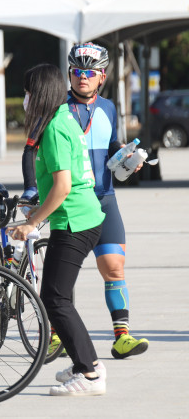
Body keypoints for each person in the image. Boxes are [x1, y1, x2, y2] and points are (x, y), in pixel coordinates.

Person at [21, 42, 149, 359]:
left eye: (90, 73)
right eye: (77, 71)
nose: (82, 77)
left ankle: (122, 337)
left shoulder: (108, 108)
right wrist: (30, 188)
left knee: (114, 266)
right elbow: (29, 151)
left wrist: (127, 156)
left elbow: (112, 143)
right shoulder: (55, 107)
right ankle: (55, 336)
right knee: (61, 279)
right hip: (71, 202)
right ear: (69, 74)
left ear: (102, 76)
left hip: (104, 198)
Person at [11, 63, 106, 396]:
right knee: (56, 297)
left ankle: (90, 374)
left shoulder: (53, 127)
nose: (25, 98)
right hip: (79, 216)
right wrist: (36, 210)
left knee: (55, 298)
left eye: (28, 91)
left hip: (76, 221)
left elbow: (63, 186)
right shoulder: (63, 118)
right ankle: (87, 363)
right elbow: (63, 181)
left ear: (39, 93)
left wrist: (32, 223)